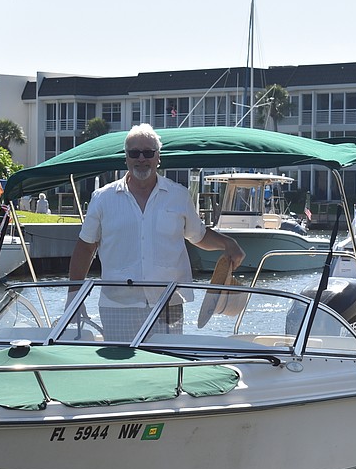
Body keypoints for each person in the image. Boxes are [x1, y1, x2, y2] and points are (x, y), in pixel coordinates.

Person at [68, 123, 245, 340]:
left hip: (168, 304)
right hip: (117, 306)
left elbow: (198, 235)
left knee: (166, 360)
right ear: (126, 158)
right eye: (134, 153)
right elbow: (85, 248)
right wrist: (74, 296)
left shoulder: (179, 196)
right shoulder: (102, 199)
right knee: (120, 362)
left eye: (148, 153)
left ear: (158, 157)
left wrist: (228, 243)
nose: (141, 158)